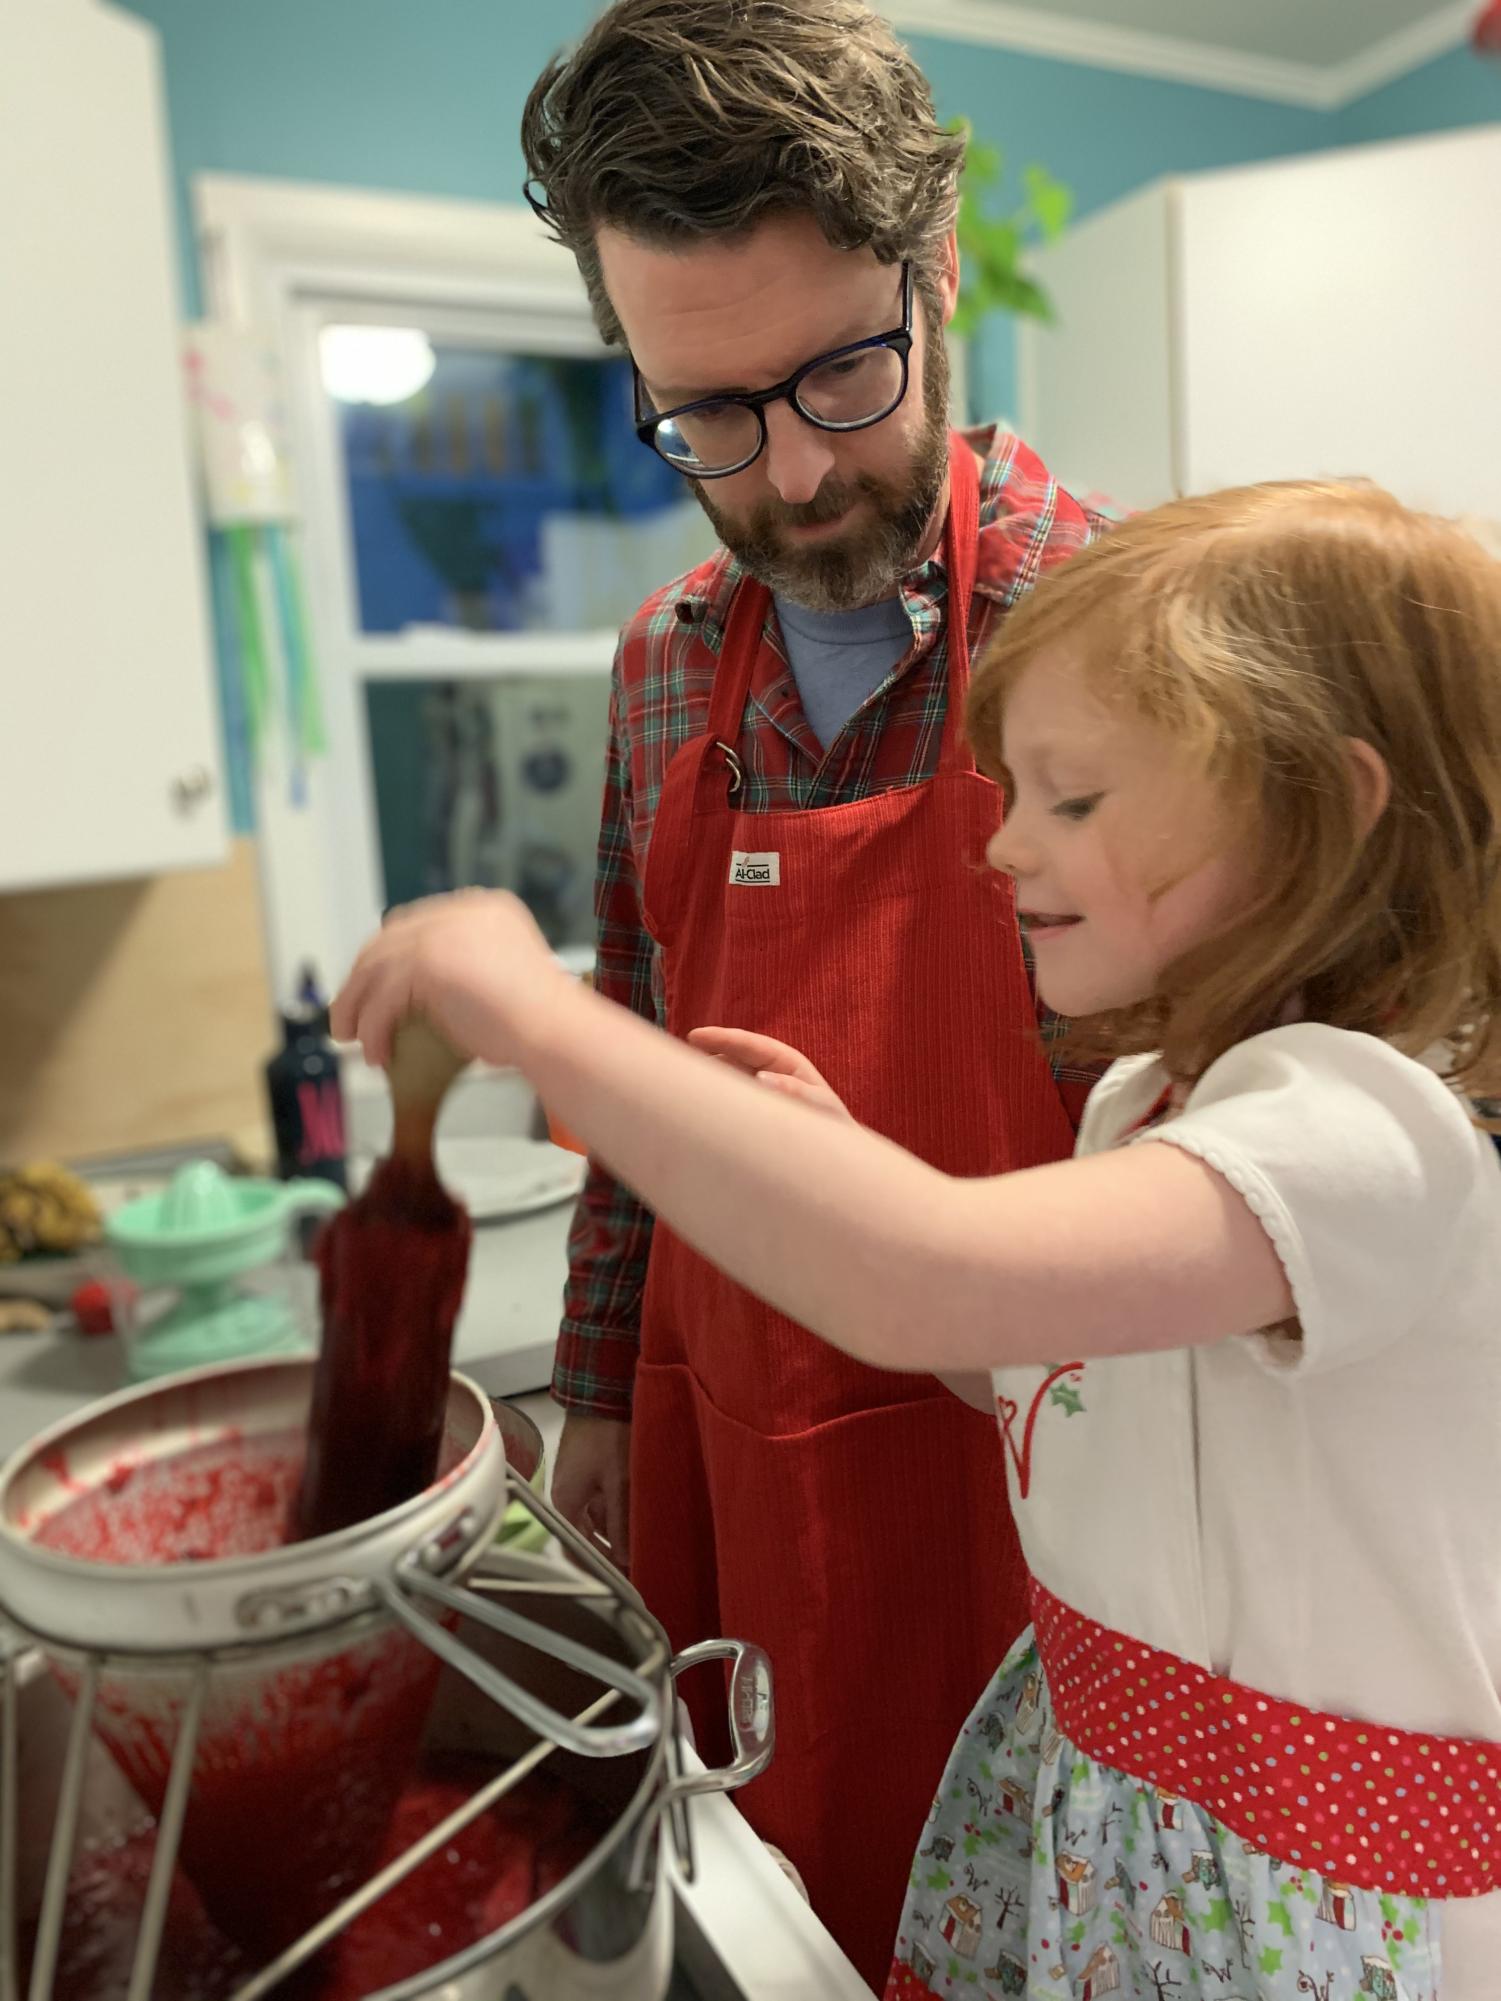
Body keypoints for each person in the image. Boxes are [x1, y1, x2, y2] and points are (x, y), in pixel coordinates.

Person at [337, 479, 1501, 1999]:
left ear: (1326, 808)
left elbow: (922, 1272)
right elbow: (1034, 1369)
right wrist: (841, 1162)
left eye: (1072, 798)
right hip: (1115, 1833)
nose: (1003, 845)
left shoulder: (1367, 1136)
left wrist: (535, 1017)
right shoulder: (1154, 1099)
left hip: (1307, 1905)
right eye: (1006, 789)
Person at [518, 0, 1100, 1974]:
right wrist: (593, 1397)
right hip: (730, 1432)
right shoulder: (664, 666)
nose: (789, 479)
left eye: (841, 374)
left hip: (1037, 1475)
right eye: (708, 416)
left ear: (932, 281)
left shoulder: (1119, 636)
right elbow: (626, 1087)